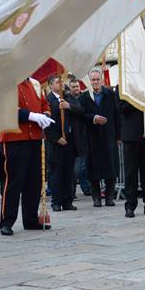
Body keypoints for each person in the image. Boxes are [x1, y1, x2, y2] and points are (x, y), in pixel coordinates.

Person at [0, 77, 53, 236]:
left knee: (34, 181)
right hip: (15, 137)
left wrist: (45, 116)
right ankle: (6, 221)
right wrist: (31, 116)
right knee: (14, 181)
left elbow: (45, 104)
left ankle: (30, 219)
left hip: (35, 136)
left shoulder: (35, 84)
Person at [78, 69, 120, 208]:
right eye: (93, 80)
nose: (95, 82)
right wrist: (93, 118)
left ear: (101, 80)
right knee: (93, 168)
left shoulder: (110, 94)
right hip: (91, 136)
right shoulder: (84, 98)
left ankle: (109, 197)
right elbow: (81, 115)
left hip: (109, 135)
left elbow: (117, 115)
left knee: (110, 167)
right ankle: (96, 198)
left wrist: (119, 135)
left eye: (97, 79)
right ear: (89, 82)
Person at [45, 75, 82, 212]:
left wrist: (69, 106)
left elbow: (80, 111)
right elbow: (46, 123)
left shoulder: (68, 96)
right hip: (56, 143)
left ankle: (68, 200)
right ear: (50, 85)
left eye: (61, 82)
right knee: (56, 173)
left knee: (68, 172)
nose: (60, 84)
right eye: (57, 82)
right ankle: (56, 201)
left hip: (70, 140)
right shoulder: (47, 100)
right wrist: (56, 138)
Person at [67, 78, 91, 198]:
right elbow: (80, 111)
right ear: (69, 88)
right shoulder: (68, 99)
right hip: (74, 137)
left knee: (84, 166)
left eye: (77, 86)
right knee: (75, 168)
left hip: (84, 135)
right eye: (74, 87)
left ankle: (85, 187)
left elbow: (84, 112)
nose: (76, 89)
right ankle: (70, 192)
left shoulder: (83, 98)